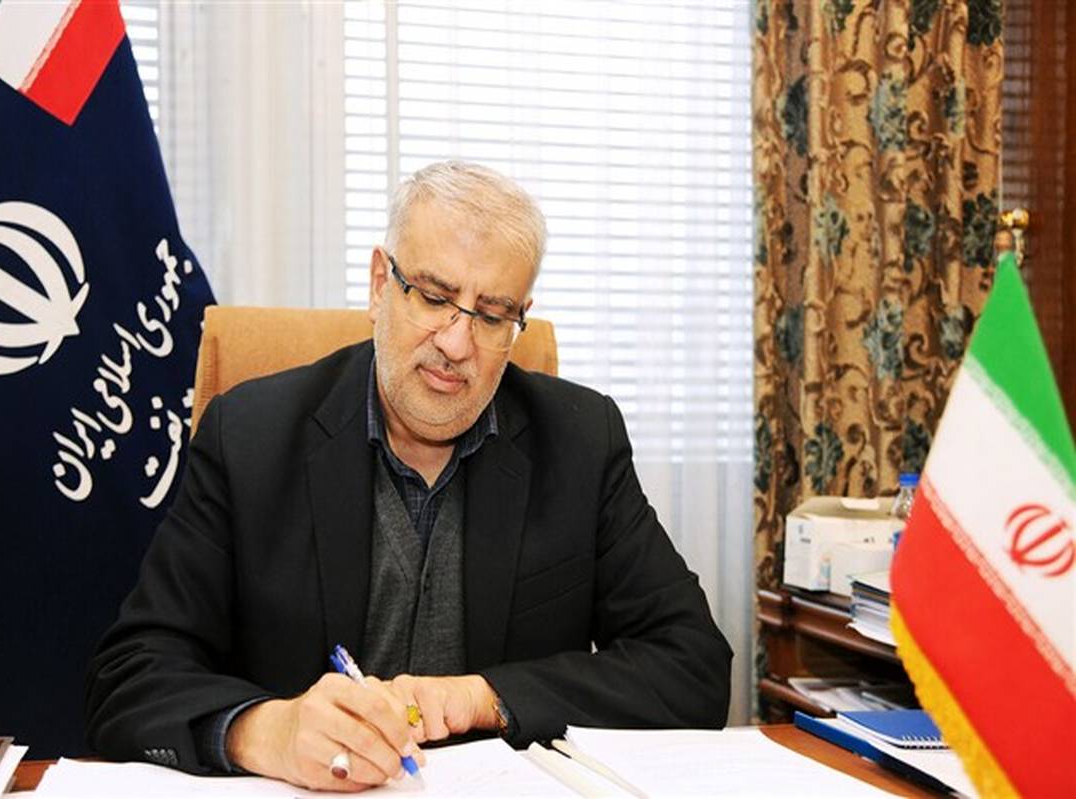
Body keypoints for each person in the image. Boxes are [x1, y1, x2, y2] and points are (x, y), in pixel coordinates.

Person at [85, 161, 732, 791]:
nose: (456, 343)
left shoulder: (580, 441)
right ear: (379, 284)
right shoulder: (250, 437)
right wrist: (268, 730)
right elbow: (129, 677)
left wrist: (484, 697)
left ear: (518, 322)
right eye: (434, 296)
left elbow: (694, 665)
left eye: (492, 314)